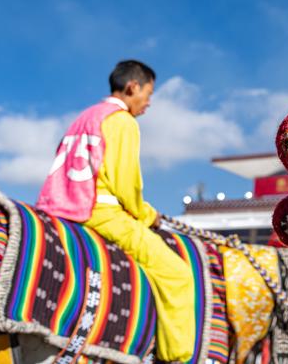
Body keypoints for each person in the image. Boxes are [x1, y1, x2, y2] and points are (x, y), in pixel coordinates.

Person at [36, 60, 195, 363]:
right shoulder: (122, 121)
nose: (148, 103)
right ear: (132, 87)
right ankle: (176, 357)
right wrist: (148, 215)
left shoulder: (84, 117)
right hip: (101, 213)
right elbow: (127, 187)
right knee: (178, 275)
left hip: (57, 208)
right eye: (148, 94)